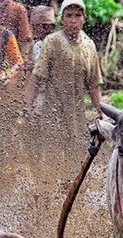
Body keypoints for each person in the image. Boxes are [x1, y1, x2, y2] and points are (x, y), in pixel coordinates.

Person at [28, 0, 103, 139]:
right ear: (62, 20)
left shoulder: (89, 45)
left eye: (78, 15)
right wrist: (28, 107)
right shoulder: (52, 41)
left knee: (77, 154)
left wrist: (101, 112)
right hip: (52, 111)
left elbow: (94, 85)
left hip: (77, 113)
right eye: (68, 16)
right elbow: (37, 76)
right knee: (52, 154)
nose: (73, 20)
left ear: (84, 19)